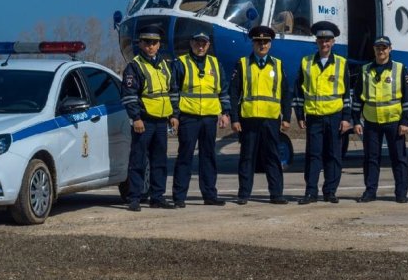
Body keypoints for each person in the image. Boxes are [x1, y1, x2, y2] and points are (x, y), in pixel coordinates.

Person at [229, 25, 292, 205]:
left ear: (270, 44)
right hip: (249, 119)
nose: (262, 45)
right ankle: (244, 194)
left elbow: (285, 94)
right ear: (253, 43)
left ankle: (276, 194)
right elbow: (234, 93)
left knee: (272, 156)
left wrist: (286, 117)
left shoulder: (278, 65)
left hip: (271, 119)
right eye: (258, 42)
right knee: (247, 157)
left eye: (265, 42)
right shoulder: (242, 64)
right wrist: (234, 118)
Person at [120, 24, 179, 211]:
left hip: (162, 121)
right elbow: (129, 95)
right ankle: (135, 197)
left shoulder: (165, 66)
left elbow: (173, 92)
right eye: (146, 42)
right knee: (138, 160)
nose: (150, 46)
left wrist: (174, 115)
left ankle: (157, 196)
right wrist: (136, 118)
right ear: (140, 43)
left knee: (160, 160)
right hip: (144, 121)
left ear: (159, 44)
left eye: (154, 42)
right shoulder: (134, 67)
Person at [292, 21, 352, 204]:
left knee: (334, 155)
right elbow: (298, 92)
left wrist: (346, 118)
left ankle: (330, 191)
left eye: (327, 40)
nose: (324, 44)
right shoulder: (306, 62)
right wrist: (300, 116)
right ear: (316, 42)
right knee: (313, 155)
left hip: (335, 117)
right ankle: (310, 192)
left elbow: (347, 94)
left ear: (333, 42)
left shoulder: (342, 64)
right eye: (320, 40)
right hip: (314, 117)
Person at [170, 31, 230, 207]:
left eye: (204, 43)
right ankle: (179, 196)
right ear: (191, 43)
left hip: (210, 118)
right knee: (185, 156)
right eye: (197, 43)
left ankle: (210, 195)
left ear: (209, 45)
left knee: (208, 156)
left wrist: (226, 113)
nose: (201, 46)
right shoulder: (181, 63)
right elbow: (173, 91)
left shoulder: (215, 64)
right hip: (189, 117)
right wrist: (174, 115)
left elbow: (223, 90)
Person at [351, 36, 408, 203]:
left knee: (399, 158)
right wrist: (356, 120)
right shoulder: (365, 70)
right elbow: (357, 98)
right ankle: (370, 191)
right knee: (371, 158)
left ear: (390, 49)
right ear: (374, 49)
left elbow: (407, 98)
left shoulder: (400, 70)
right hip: (371, 122)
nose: (381, 51)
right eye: (378, 47)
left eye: (384, 47)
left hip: (394, 121)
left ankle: (401, 192)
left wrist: (406, 121)